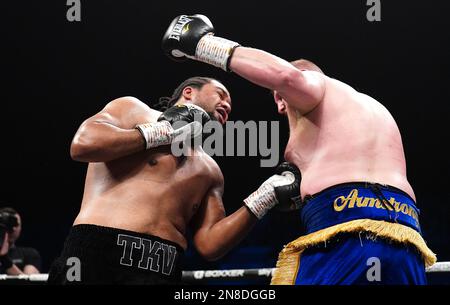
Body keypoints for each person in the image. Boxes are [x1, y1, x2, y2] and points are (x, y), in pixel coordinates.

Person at [161, 15, 437, 284]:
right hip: (407, 239)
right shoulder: (372, 109)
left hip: (349, 235)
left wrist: (203, 45)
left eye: (277, 100)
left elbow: (286, 77)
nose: (281, 109)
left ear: (281, 98)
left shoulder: (315, 87)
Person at [47, 76, 301, 284]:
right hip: (99, 251)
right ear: (189, 92)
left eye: (230, 103)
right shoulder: (134, 110)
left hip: (164, 267)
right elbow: (83, 146)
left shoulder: (210, 170)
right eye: (221, 94)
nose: (227, 104)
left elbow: (210, 245)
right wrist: (164, 132)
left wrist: (265, 196)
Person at [0, 207, 41, 275]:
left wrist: (4, 259)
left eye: (16, 224)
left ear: (20, 228)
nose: (13, 228)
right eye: (8, 223)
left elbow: (29, 282)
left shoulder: (29, 254)